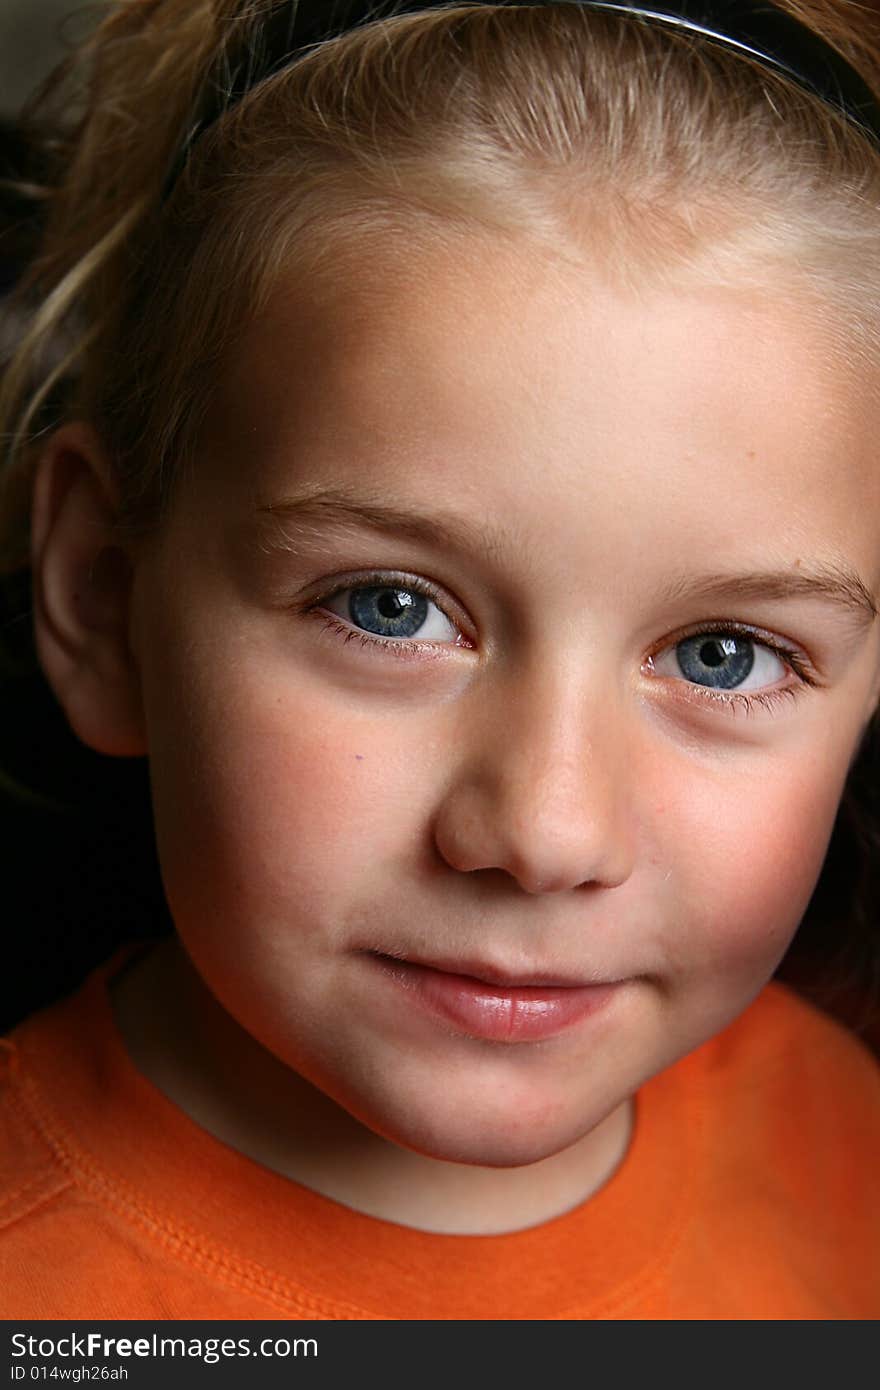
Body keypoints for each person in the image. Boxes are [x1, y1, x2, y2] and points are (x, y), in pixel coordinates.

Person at [0, 0, 878, 1321]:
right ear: (105, 597)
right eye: (392, 607)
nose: (543, 830)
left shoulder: (844, 1141)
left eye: (723, 650)